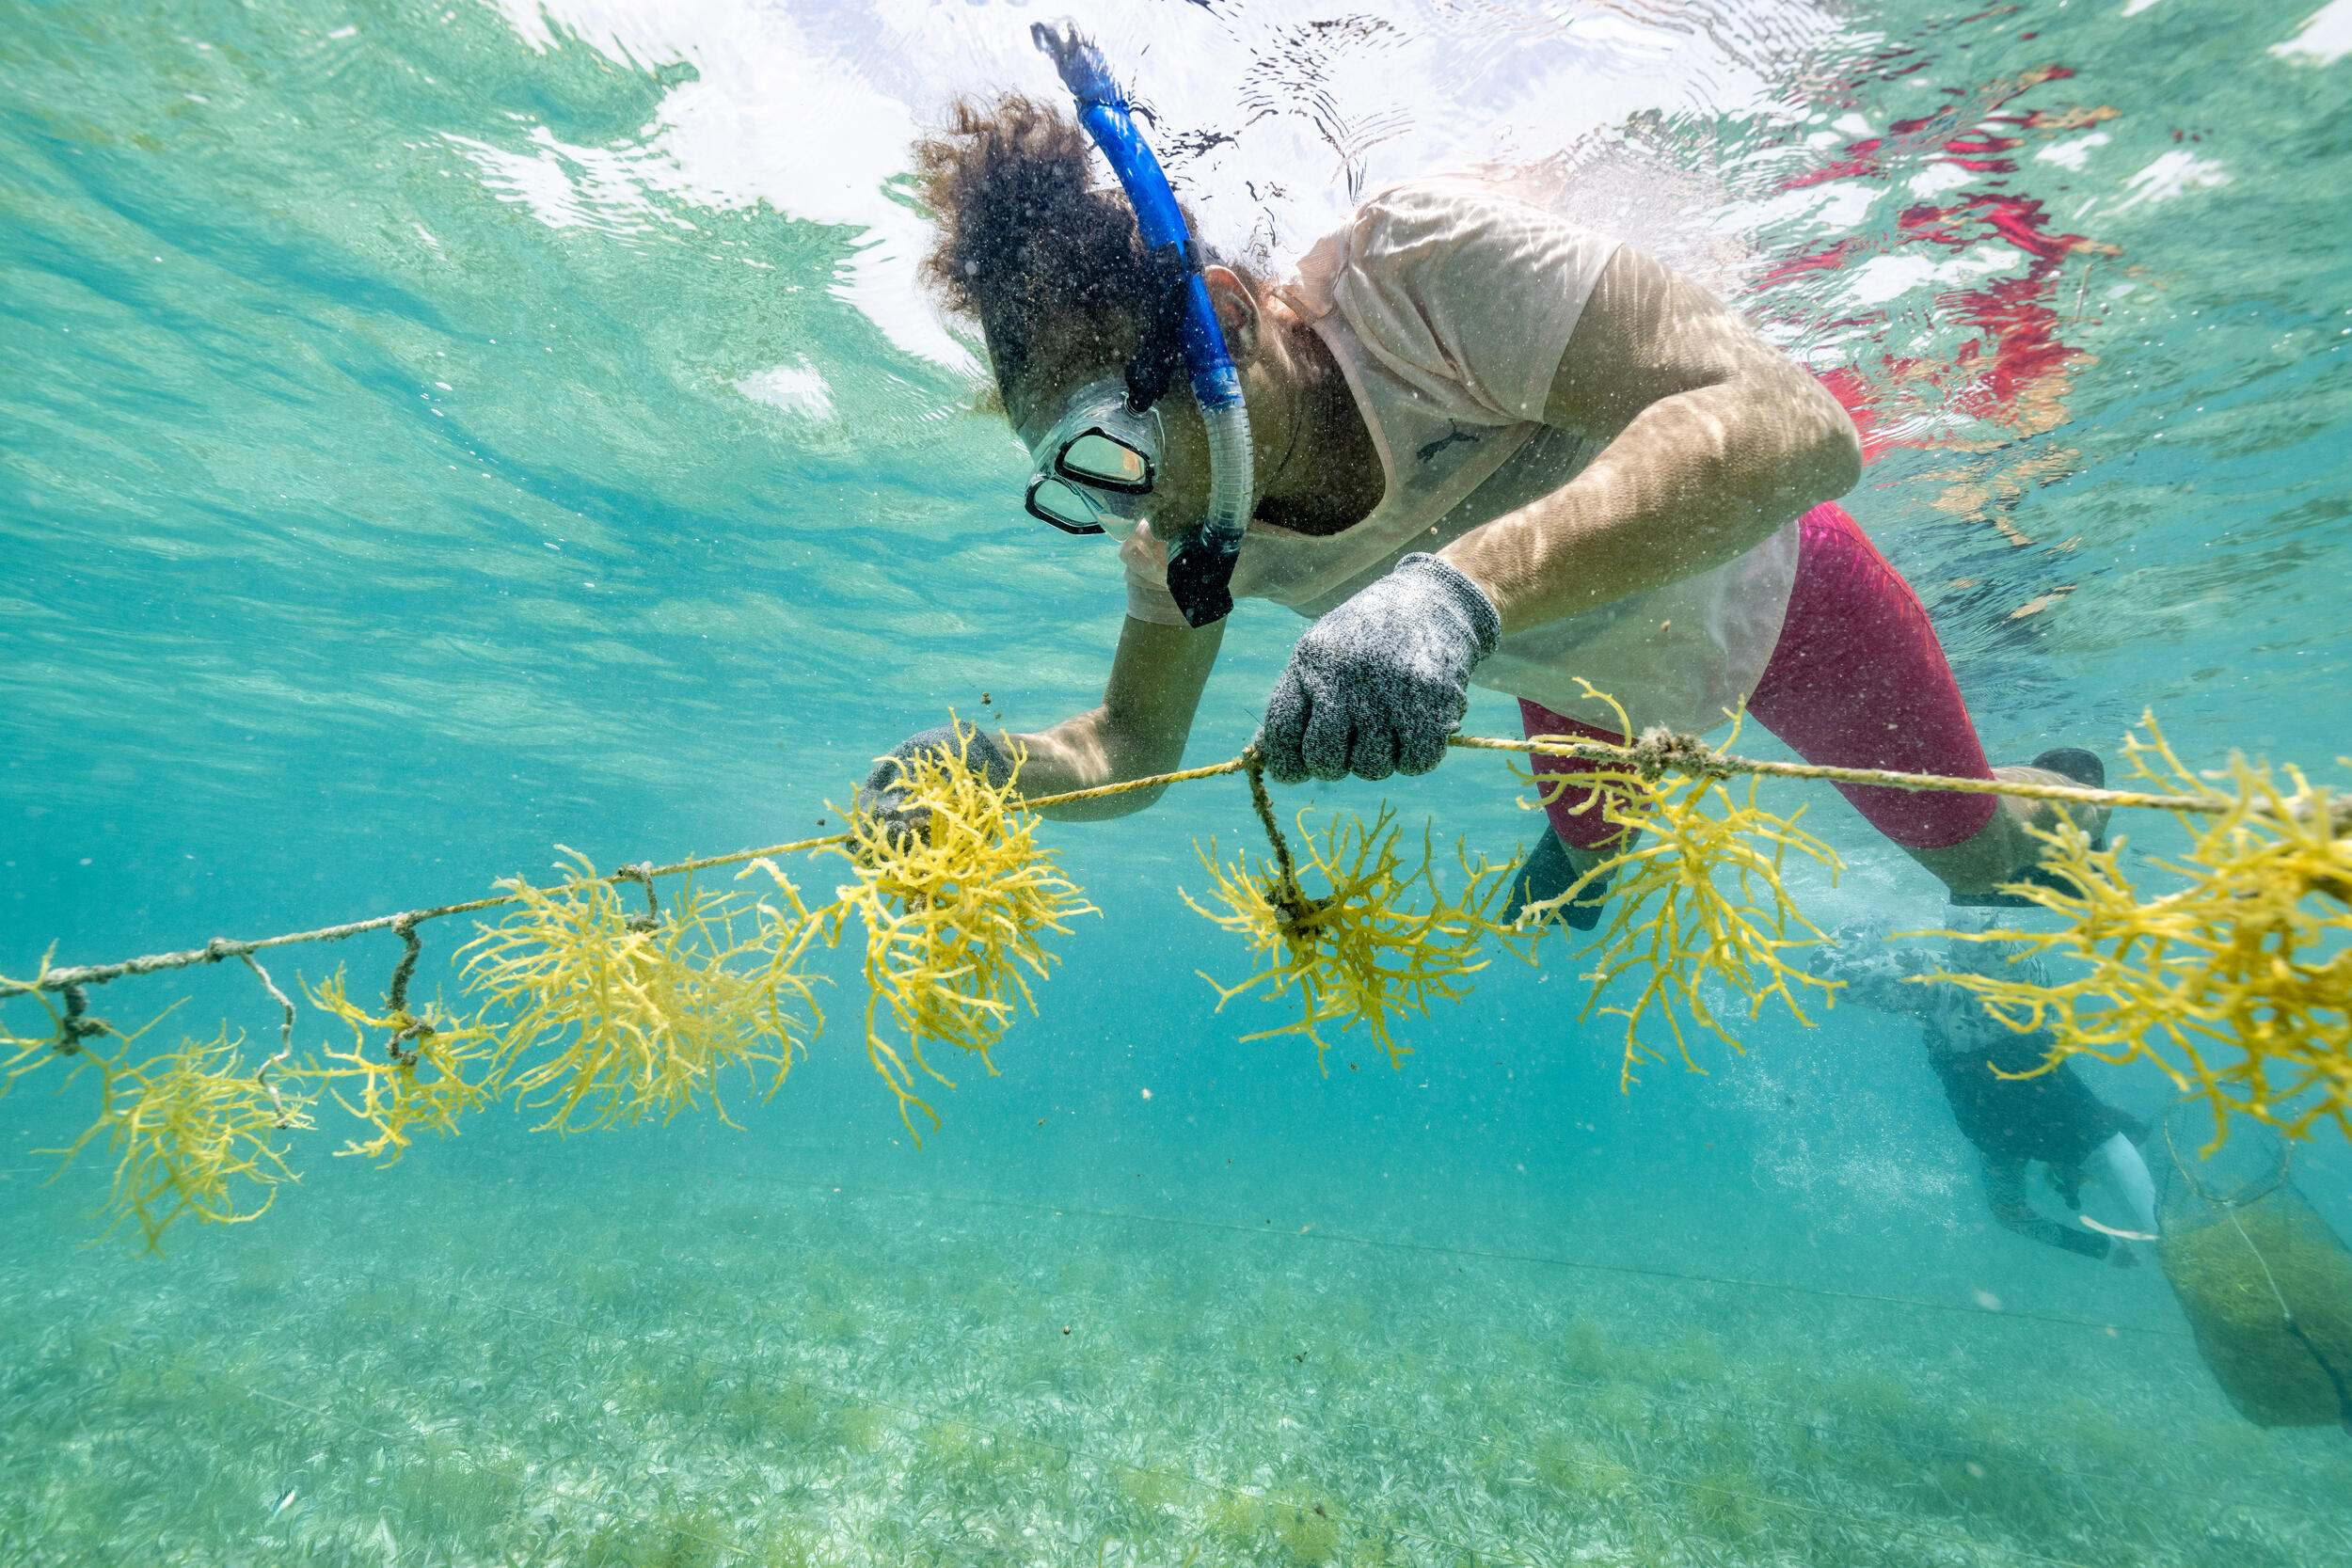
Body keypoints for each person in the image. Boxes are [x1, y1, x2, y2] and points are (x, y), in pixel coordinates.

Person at [862, 26, 2107, 926]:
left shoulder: (1426, 273)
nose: (1125, 507)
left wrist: (1453, 597)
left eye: (1109, 450)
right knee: (1581, 871)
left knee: (1991, 871)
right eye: (1074, 485)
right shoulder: (1189, 536)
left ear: (1225, 320)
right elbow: (1129, 742)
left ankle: (2046, 799)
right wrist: (981, 766)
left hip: (1779, 599)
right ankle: (1580, 852)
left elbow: (1798, 424)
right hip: (1573, 685)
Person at [1812, 926, 2161, 1265]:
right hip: (1998, 1004)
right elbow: (2012, 1214)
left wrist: (2102, 1248)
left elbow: (2010, 1214)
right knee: (1845, 971)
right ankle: (1878, 919)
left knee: (1837, 973)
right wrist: (2102, 1246)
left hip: (1955, 1002)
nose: (2064, 1177)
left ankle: (1875, 918)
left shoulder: (2011, 1149)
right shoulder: (2082, 1133)